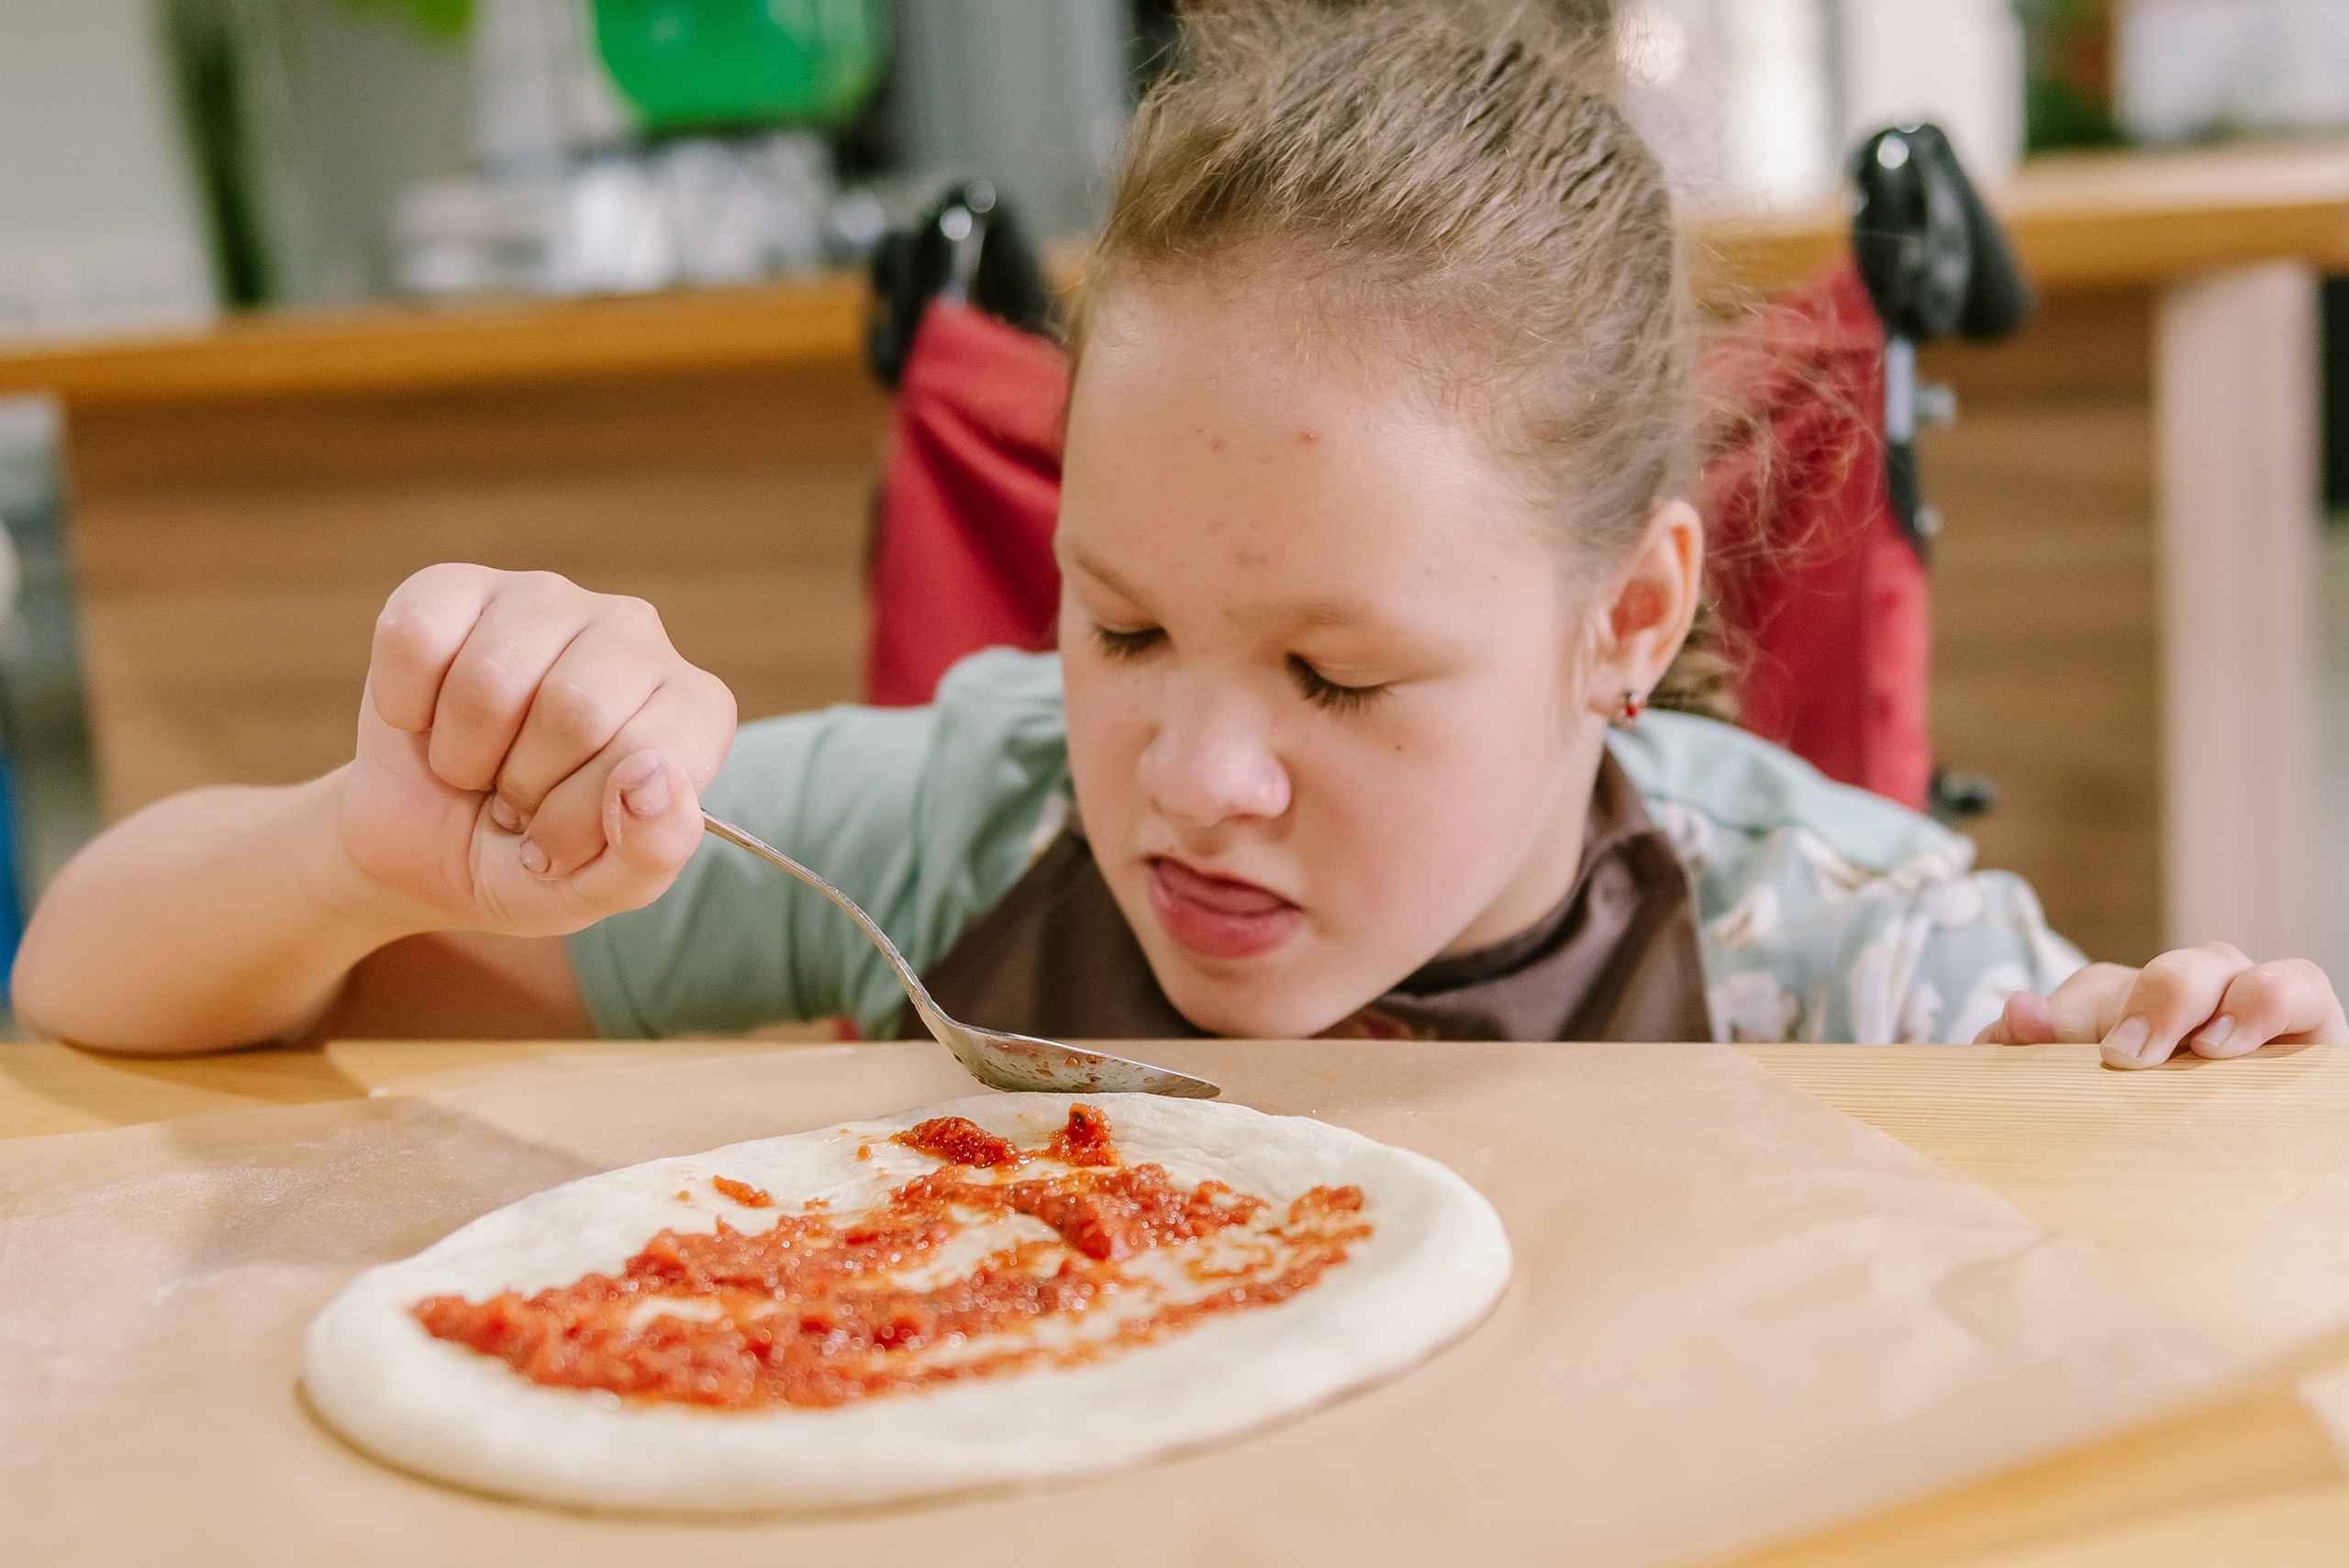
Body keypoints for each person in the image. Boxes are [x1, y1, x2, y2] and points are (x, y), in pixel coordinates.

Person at [13, 2, 2340, 1068]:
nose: (1190, 782)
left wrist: (2186, 1073)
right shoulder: (967, 816)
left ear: (1622, 613)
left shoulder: (1838, 959)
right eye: (1123, 625)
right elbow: (87, 983)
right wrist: (373, 848)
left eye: (1337, 678)